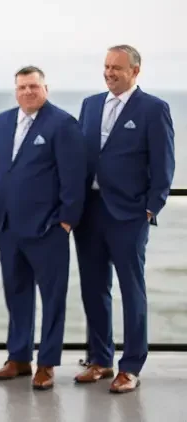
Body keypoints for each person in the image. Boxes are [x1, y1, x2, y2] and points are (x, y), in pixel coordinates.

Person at [73, 45, 175, 393]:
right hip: (89, 212)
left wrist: (151, 207)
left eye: (117, 67)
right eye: (106, 66)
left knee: (132, 291)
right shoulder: (89, 105)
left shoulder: (154, 108)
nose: (109, 73)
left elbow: (164, 165)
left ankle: (130, 367)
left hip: (129, 215)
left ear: (135, 70)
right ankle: (100, 360)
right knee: (93, 289)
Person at [0, 65, 87, 390]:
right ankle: (18, 358)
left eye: (33, 86)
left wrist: (66, 221)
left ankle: (46, 364)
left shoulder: (62, 123)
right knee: (16, 294)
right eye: (22, 87)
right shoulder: (3, 121)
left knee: (53, 298)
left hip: (48, 230)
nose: (28, 92)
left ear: (45, 88)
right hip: (8, 227)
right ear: (15, 90)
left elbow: (74, 179)